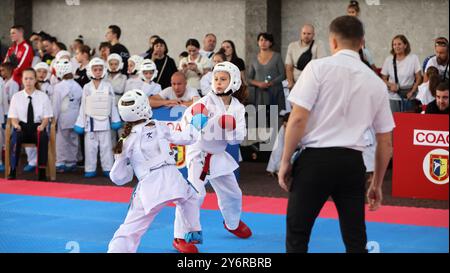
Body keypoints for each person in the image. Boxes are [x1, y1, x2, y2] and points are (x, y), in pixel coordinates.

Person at [278, 16, 395, 253]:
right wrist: (377, 184)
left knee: (297, 235)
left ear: (332, 42)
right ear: (362, 42)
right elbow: (385, 141)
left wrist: (284, 161)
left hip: (314, 162)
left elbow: (298, 118)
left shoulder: (317, 68)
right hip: (352, 164)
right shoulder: (375, 82)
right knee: (355, 239)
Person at [108, 89, 204, 253]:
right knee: (191, 197)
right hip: (174, 180)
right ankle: (192, 231)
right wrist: (199, 120)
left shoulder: (125, 140)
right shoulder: (160, 125)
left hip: (150, 187)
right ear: (145, 107)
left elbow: (118, 177)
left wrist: (131, 169)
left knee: (130, 230)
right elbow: (189, 137)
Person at [174, 61, 252, 247]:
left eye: (223, 79)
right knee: (195, 194)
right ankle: (180, 236)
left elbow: (237, 139)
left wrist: (230, 127)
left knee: (233, 193)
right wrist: (199, 122)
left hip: (218, 155)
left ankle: (232, 223)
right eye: (216, 78)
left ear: (233, 81)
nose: (218, 82)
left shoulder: (238, 108)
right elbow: (186, 127)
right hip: (199, 154)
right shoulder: (203, 103)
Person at [73, 57, 122, 178]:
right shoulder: (86, 87)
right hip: (90, 122)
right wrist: (80, 123)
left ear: (104, 70)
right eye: (95, 69)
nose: (98, 72)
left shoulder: (107, 86)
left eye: (100, 69)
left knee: (106, 147)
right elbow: (83, 107)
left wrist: (115, 120)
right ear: (90, 71)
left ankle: (108, 168)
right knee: (90, 148)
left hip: (104, 121)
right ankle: (90, 169)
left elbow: (112, 105)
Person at [7, 68, 53, 181]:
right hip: (21, 127)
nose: (28, 81)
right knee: (15, 137)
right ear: (22, 80)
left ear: (35, 80)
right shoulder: (16, 97)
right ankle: (12, 169)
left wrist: (42, 126)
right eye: (26, 78)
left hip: (37, 127)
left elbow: (47, 116)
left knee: (43, 137)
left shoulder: (43, 96)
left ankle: (42, 171)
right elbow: (13, 117)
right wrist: (16, 125)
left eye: (31, 78)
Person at [52, 59, 82, 173]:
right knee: (73, 139)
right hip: (75, 117)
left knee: (61, 140)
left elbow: (56, 105)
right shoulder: (77, 86)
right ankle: (71, 161)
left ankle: (61, 162)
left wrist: (53, 119)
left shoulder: (58, 87)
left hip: (63, 117)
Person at [381, 35, 422, 112]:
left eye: (399, 44)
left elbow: (419, 77)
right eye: (394, 44)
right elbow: (383, 78)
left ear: (405, 45)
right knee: (394, 121)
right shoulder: (389, 60)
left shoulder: (413, 58)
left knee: (409, 121)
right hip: (393, 96)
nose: (396, 46)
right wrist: (390, 85)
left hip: (409, 95)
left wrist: (412, 91)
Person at [248, 33, 285, 116]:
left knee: (275, 121)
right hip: (260, 95)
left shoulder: (277, 56)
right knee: (261, 121)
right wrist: (259, 84)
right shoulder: (254, 59)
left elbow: (283, 75)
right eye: (261, 40)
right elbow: (249, 79)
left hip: (275, 93)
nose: (263, 42)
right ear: (258, 42)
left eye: (266, 40)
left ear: (271, 43)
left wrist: (271, 83)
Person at [285, 24, 326, 90]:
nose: (306, 36)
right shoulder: (292, 46)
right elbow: (288, 66)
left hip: (312, 83)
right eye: (304, 33)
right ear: (301, 34)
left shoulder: (318, 44)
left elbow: (321, 65)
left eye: (309, 34)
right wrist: (291, 83)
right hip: (296, 83)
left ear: (313, 35)